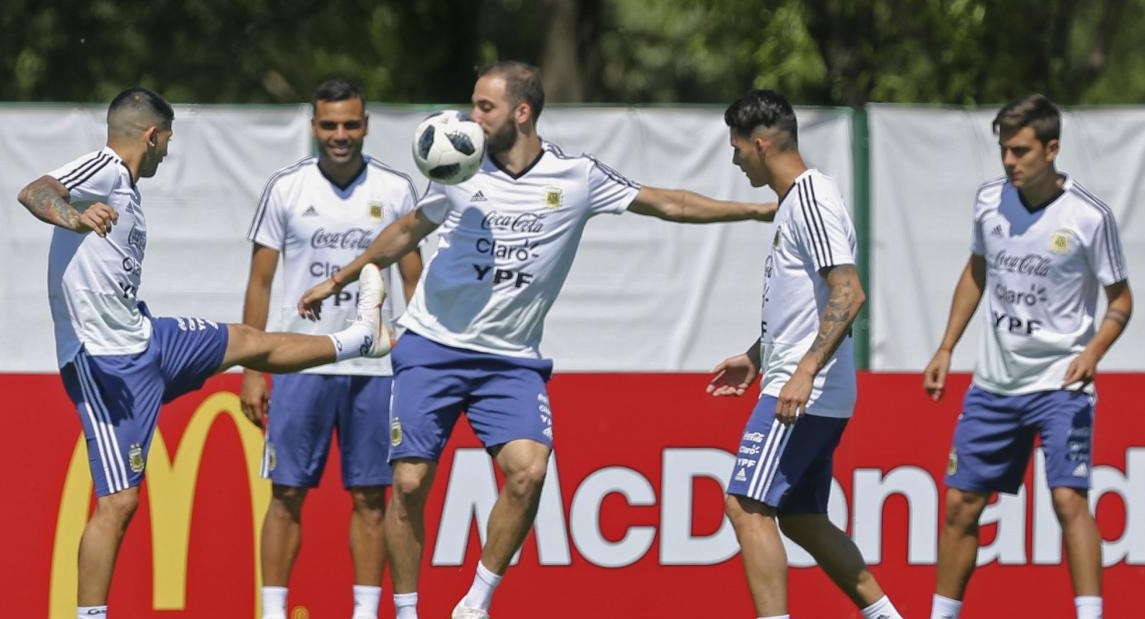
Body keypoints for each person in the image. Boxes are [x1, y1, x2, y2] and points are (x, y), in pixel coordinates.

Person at [297, 61, 776, 619]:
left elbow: (669, 203)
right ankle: (406, 610)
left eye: (485, 107)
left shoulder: (577, 177)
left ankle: (475, 602)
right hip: (432, 345)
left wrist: (757, 210)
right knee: (407, 482)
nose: (470, 117)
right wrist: (341, 277)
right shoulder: (459, 166)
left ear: (521, 113)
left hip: (511, 359)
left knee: (529, 471)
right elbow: (407, 230)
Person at [16, 87, 389, 619]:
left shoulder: (124, 185)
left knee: (247, 341)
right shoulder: (100, 166)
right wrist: (74, 217)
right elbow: (35, 191)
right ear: (151, 135)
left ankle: (359, 339)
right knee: (119, 501)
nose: (167, 151)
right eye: (167, 139)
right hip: (105, 363)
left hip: (148, 338)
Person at [922, 94, 1132, 619]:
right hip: (994, 384)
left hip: (1061, 384)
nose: (1010, 162)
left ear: (1052, 148)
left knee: (1067, 501)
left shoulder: (1089, 216)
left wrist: (1094, 351)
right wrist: (946, 346)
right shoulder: (989, 201)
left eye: (1020, 151)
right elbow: (976, 272)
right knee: (959, 506)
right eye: (1004, 151)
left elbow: (1122, 301)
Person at [707, 90, 905, 619]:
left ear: (761, 143)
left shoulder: (812, 196)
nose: (734, 159)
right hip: (805, 385)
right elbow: (807, 303)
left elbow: (849, 292)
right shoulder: (796, 203)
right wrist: (757, 353)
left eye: (737, 148)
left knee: (746, 505)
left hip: (802, 393)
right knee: (800, 517)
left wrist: (802, 372)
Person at [240, 79, 424, 619]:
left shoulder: (394, 189)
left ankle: (364, 613)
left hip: (375, 365)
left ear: (365, 125)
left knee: (371, 498)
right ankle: (272, 612)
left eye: (350, 124)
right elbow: (260, 283)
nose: (340, 135)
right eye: (329, 125)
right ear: (313, 126)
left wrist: (414, 361)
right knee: (287, 493)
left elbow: (414, 281)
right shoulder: (286, 188)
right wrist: (254, 368)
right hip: (300, 361)